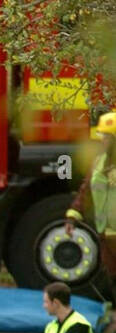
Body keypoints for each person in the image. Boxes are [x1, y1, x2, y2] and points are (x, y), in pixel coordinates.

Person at [66, 111, 116, 305]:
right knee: (113, 278)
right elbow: (85, 191)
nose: (100, 140)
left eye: (104, 137)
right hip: (106, 234)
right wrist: (73, 216)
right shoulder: (98, 163)